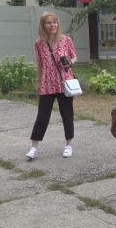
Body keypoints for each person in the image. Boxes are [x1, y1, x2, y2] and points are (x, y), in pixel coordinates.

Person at [26, 12, 78, 160]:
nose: (52, 25)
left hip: (64, 82)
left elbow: (74, 56)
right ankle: (33, 148)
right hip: (47, 83)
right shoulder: (39, 43)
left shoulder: (66, 40)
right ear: (43, 26)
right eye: (49, 23)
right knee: (42, 116)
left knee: (67, 114)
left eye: (54, 22)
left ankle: (68, 145)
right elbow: (40, 64)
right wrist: (39, 82)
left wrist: (69, 62)